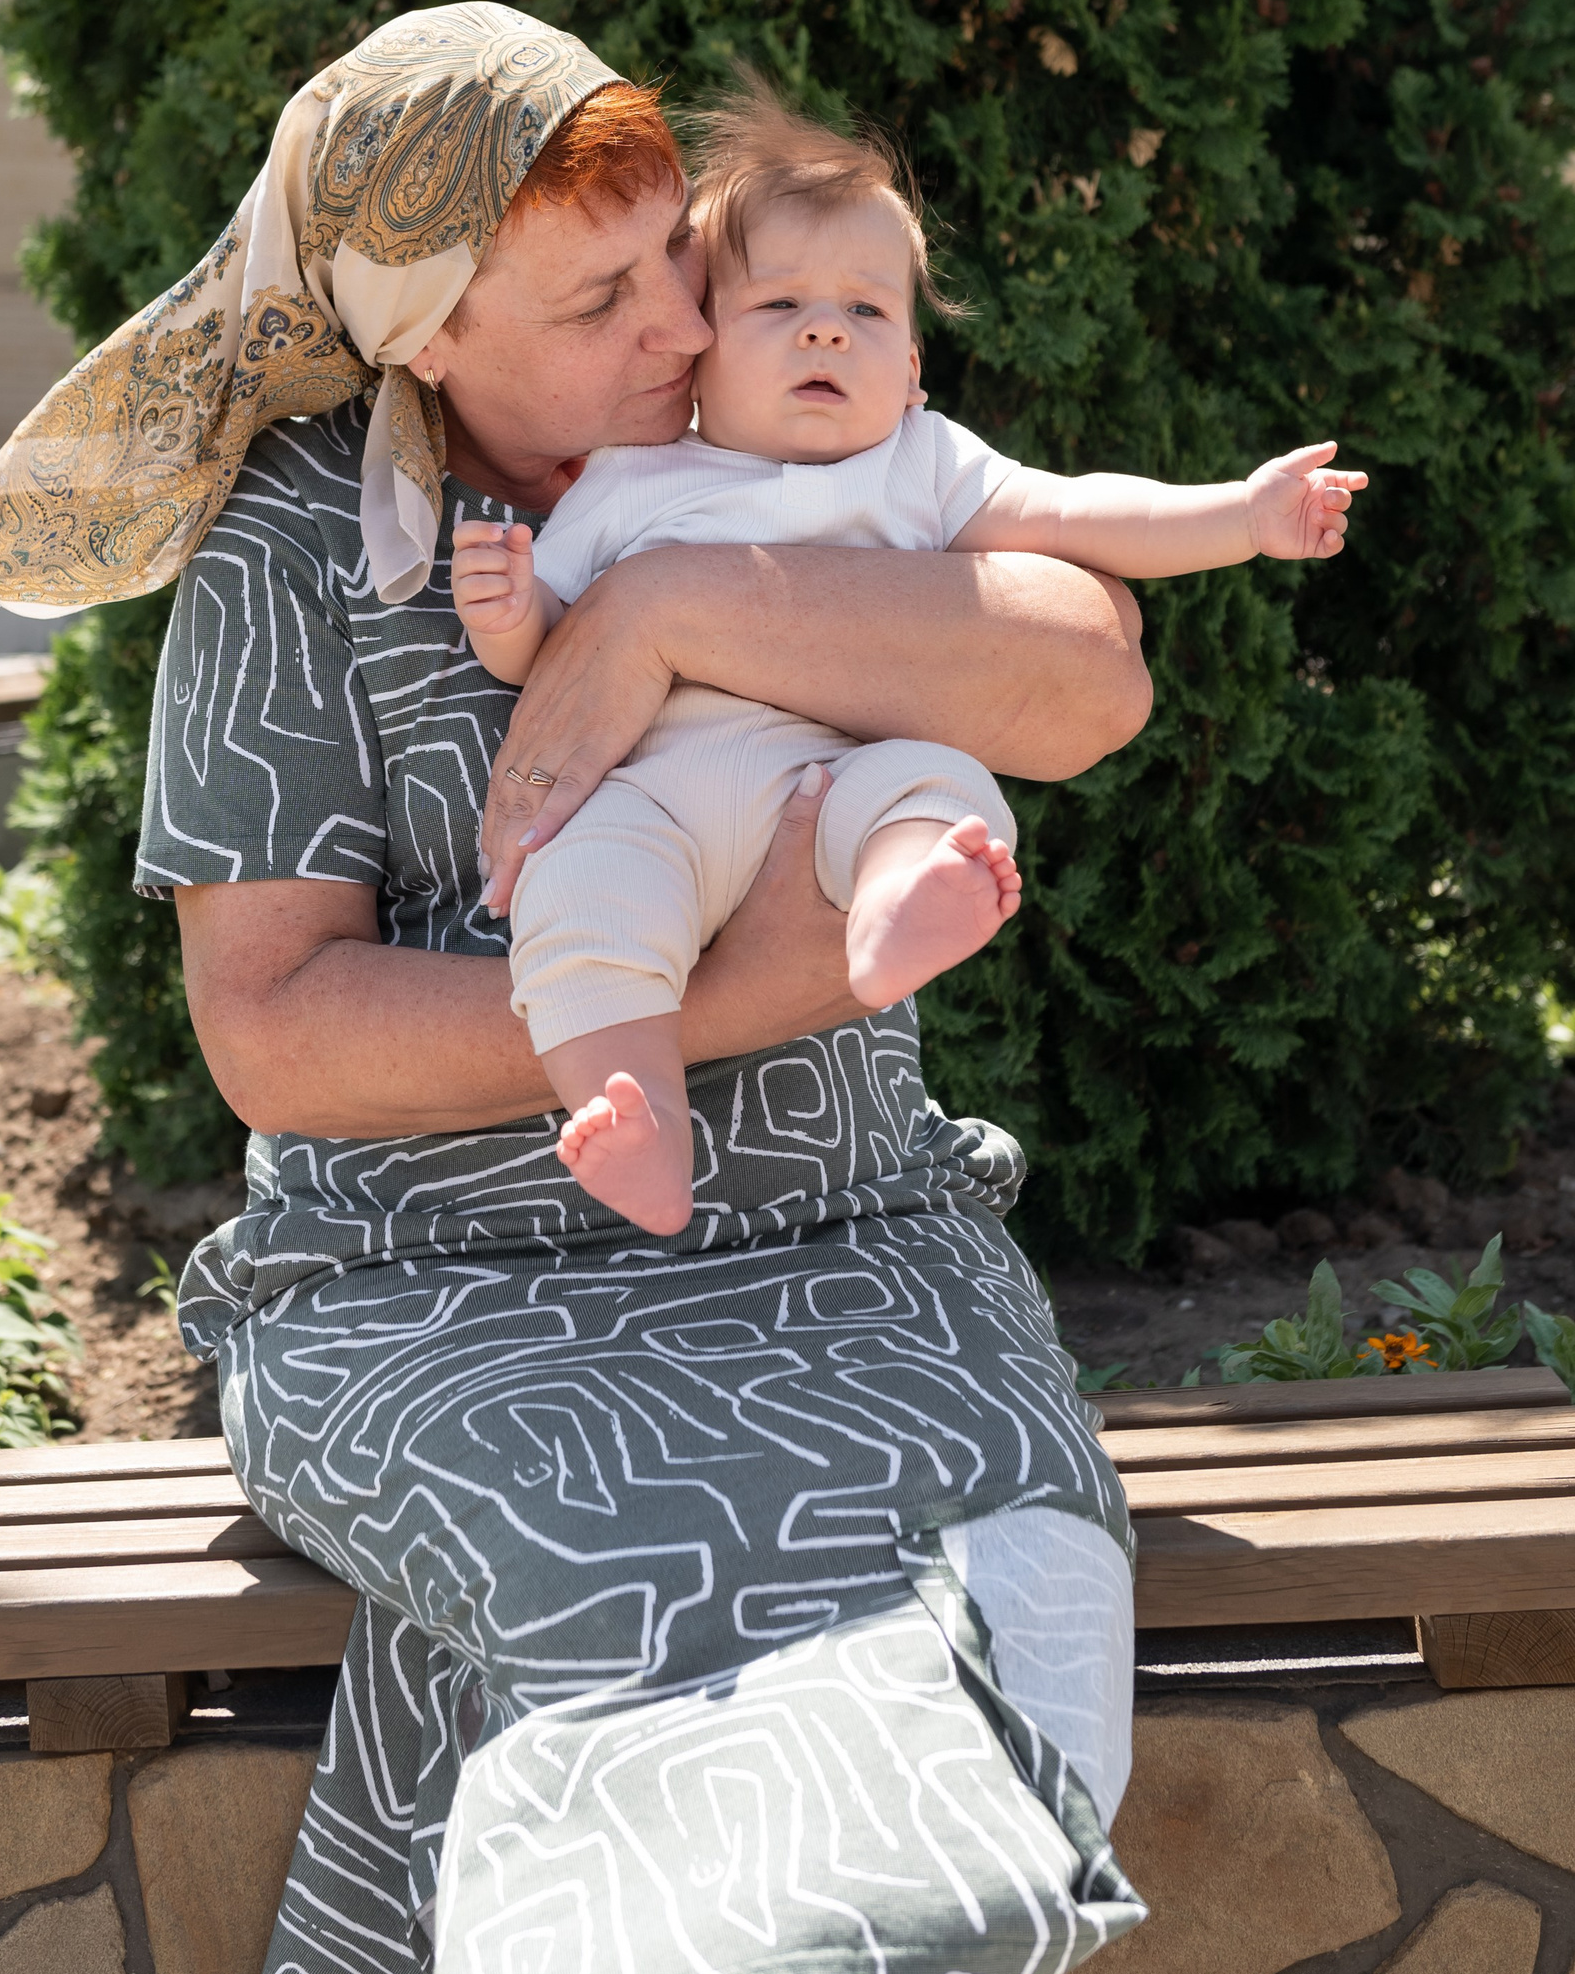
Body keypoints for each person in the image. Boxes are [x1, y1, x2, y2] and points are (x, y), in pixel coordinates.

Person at [0, 3, 1156, 1974]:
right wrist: (714, 1001)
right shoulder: (304, 548)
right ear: (431, 339)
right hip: (430, 1287)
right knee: (663, 1615)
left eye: (676, 256)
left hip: (853, 1241)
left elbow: (1083, 673)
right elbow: (276, 1031)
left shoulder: (785, 446)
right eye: (600, 301)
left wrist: (667, 602)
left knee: (1027, 1579)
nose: (683, 316)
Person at [452, 84, 1366, 1242]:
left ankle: (894, 912)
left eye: (866, 309)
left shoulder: (923, 463)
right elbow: (555, 658)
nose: (825, 330)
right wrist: (507, 609)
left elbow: (1082, 514)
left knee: (940, 792)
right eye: (779, 302)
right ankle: (640, 1121)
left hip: (842, 781)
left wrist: (1242, 513)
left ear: (915, 365)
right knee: (577, 893)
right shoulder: (635, 476)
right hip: (659, 801)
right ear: (699, 350)